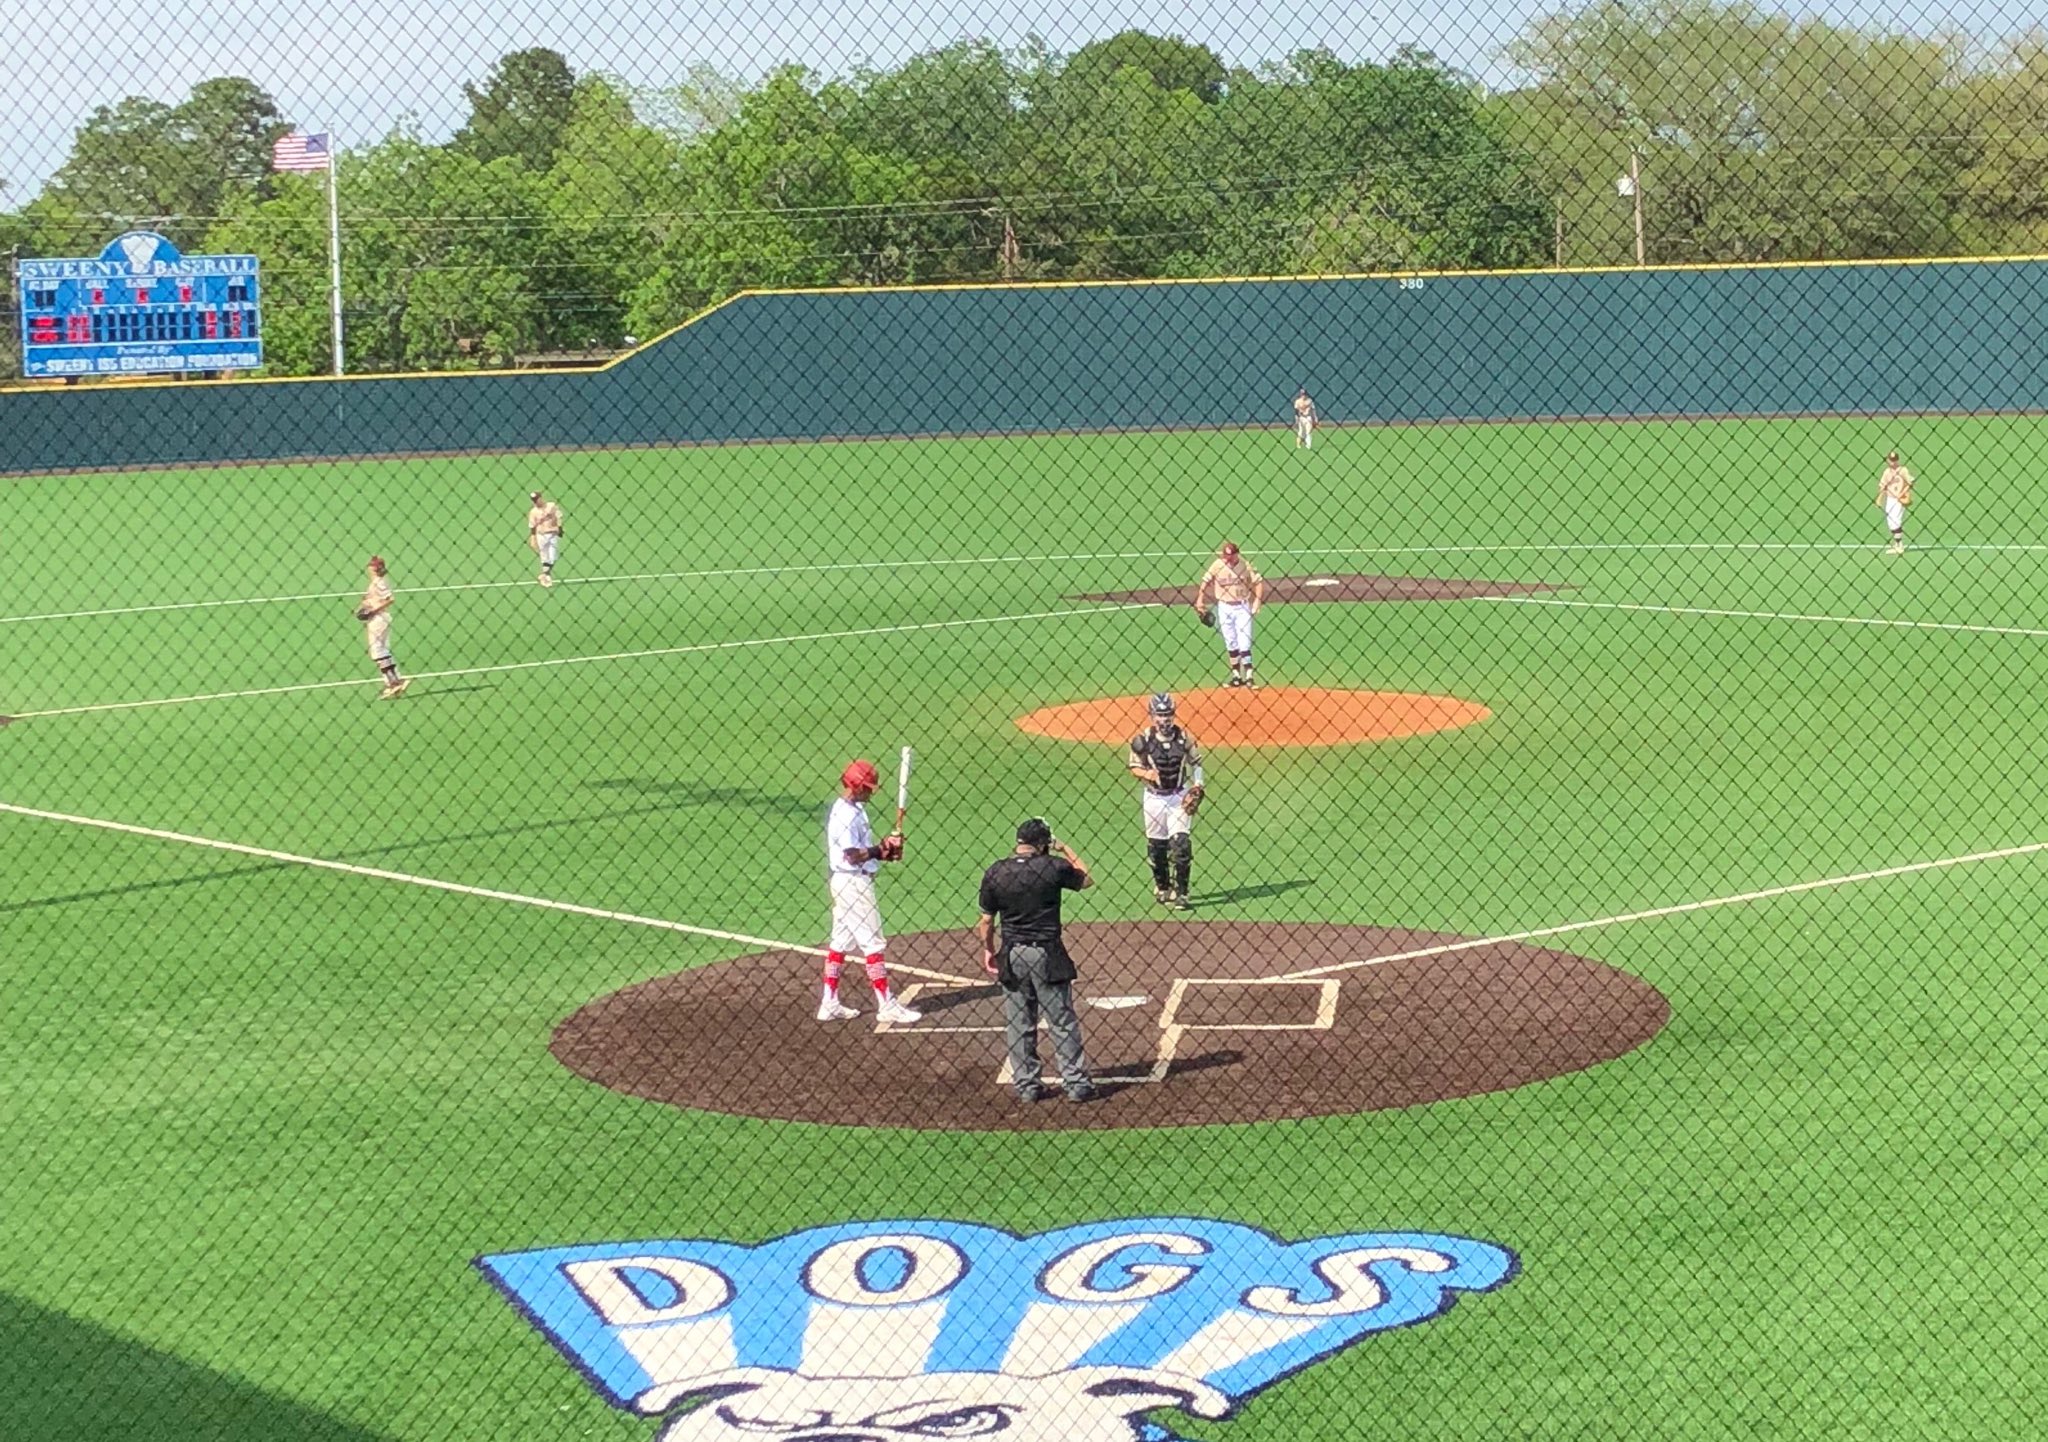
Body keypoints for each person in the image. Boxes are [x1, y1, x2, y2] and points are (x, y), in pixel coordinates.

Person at [977, 818, 1096, 1103]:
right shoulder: (1052, 867)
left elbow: (985, 922)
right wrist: (1064, 847)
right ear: (1043, 844)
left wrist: (989, 950)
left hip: (1013, 953)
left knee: (1019, 1022)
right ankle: (1076, 1084)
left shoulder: (996, 872)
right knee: (1061, 1020)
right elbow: (1086, 877)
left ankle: (1028, 1086)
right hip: (1047, 954)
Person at [819, 760, 921, 1025]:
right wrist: (881, 849)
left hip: (845, 882)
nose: (871, 792)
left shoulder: (854, 809)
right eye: (867, 787)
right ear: (856, 786)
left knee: (839, 942)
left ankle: (829, 1001)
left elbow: (865, 852)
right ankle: (886, 1004)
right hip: (854, 884)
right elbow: (852, 856)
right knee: (873, 943)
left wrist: (884, 852)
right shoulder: (845, 815)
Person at [1128, 693, 1204, 909]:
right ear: (1152, 716)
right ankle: (1163, 886)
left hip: (1179, 796)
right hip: (1153, 798)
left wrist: (1198, 785)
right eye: (1160, 715)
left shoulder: (1184, 738)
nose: (1165, 719)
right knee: (1157, 848)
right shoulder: (1142, 740)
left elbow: (1196, 762)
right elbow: (1133, 766)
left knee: (1181, 845)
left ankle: (1183, 893)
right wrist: (1147, 774)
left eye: (1168, 714)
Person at [1194, 541, 1266, 688]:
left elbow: (1258, 582)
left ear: (1236, 554)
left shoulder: (1245, 565)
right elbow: (1205, 580)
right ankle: (1236, 676)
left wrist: (1257, 601)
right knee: (1230, 641)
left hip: (1242, 607)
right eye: (1225, 555)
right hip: (1224, 607)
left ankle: (1249, 676)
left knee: (1244, 642)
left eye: (1230, 555)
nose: (1227, 558)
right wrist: (1200, 598)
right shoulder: (1217, 565)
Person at [357, 556, 408, 699]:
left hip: (379, 619)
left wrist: (373, 610)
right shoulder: (376, 582)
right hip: (380, 618)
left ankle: (393, 683)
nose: (369, 568)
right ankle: (396, 680)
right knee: (383, 650)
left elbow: (390, 599)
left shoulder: (379, 582)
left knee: (377, 651)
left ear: (374, 568)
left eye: (371, 566)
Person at [1877, 451, 1914, 556]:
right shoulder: (1887, 472)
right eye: (1891, 460)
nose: (1893, 462)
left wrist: (1903, 493)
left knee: (1895, 521)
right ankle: (1897, 544)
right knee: (1890, 521)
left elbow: (1911, 482)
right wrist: (1879, 498)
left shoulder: (1903, 470)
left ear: (1897, 460)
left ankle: (1900, 546)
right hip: (1890, 498)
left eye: (1894, 460)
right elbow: (1883, 486)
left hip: (1899, 499)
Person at [527, 490, 565, 587]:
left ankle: (544, 575)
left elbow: (559, 516)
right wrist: (533, 538)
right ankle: (546, 577)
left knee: (553, 557)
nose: (535, 502)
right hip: (541, 535)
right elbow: (532, 526)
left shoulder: (551, 506)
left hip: (552, 534)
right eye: (534, 500)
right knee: (544, 557)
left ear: (541, 498)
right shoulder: (533, 512)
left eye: (537, 499)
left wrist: (560, 528)